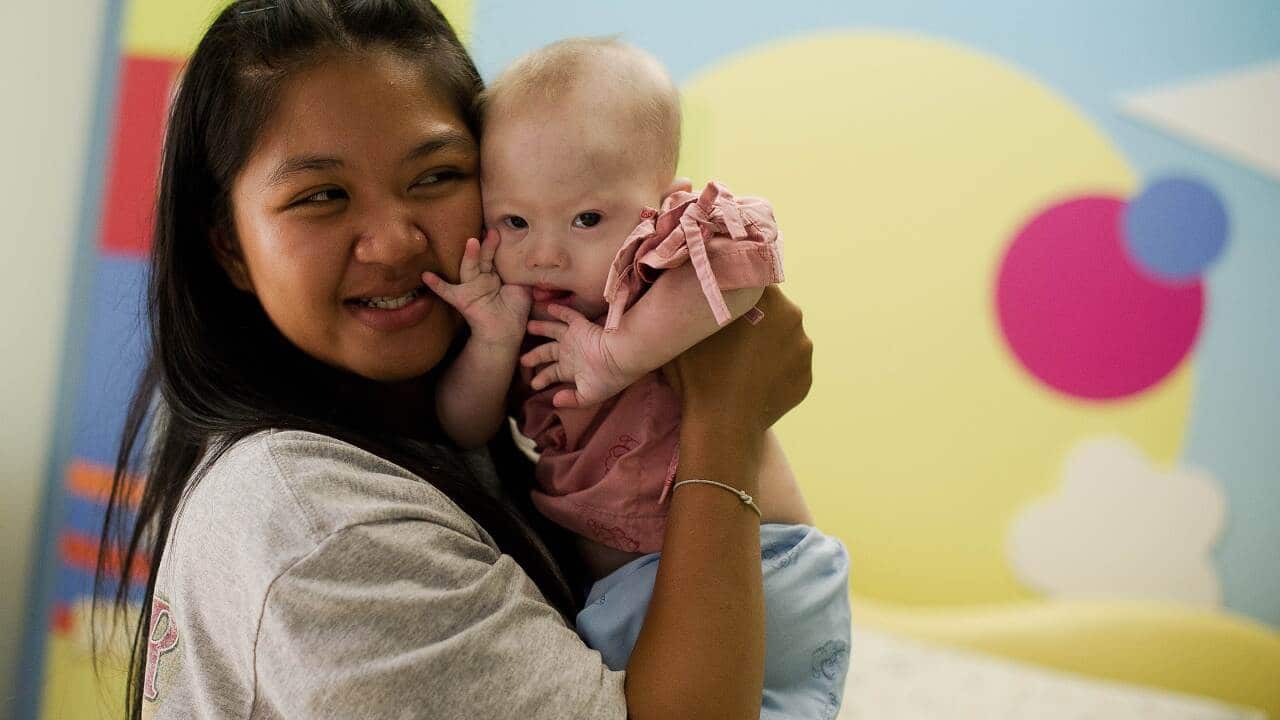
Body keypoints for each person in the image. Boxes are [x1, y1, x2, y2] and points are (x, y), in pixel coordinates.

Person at [93, 2, 816, 719]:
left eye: (436, 176)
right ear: (230, 247)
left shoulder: (428, 411)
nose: (396, 241)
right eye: (322, 196)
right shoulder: (323, 532)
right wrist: (727, 414)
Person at [425, 38, 851, 717]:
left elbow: (746, 267)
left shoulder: (653, 264)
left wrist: (619, 353)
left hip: (763, 564)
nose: (544, 251)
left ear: (662, 201)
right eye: (514, 220)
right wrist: (494, 342)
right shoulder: (530, 318)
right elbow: (464, 426)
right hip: (629, 599)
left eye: (587, 219)